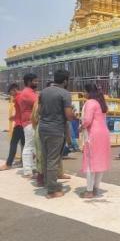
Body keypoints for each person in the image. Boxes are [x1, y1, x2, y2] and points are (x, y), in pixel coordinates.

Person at [38, 70, 75, 199]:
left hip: (43, 128)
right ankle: (52, 191)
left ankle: (48, 184)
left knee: (46, 156)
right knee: (53, 159)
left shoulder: (44, 91)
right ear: (65, 81)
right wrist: (74, 115)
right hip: (56, 129)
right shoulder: (65, 94)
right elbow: (69, 116)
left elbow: (39, 111)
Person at [80, 84, 111, 198]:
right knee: (100, 161)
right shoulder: (101, 103)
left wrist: (81, 126)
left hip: (93, 134)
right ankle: (96, 188)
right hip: (104, 134)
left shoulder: (90, 103)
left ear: (88, 92)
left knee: (90, 163)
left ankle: (89, 191)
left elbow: (87, 120)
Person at [0, 84, 24, 171]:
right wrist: (14, 117)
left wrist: (16, 118)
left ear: (14, 90)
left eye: (11, 92)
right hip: (24, 124)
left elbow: (23, 111)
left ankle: (8, 164)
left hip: (19, 125)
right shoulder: (22, 96)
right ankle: (23, 161)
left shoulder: (18, 98)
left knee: (13, 143)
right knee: (23, 144)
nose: (11, 95)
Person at [19, 73, 39, 178]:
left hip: (31, 122)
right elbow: (39, 102)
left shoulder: (31, 92)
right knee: (29, 146)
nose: (37, 82)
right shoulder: (27, 93)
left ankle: (32, 168)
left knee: (34, 146)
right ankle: (27, 170)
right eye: (35, 81)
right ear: (28, 82)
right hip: (29, 122)